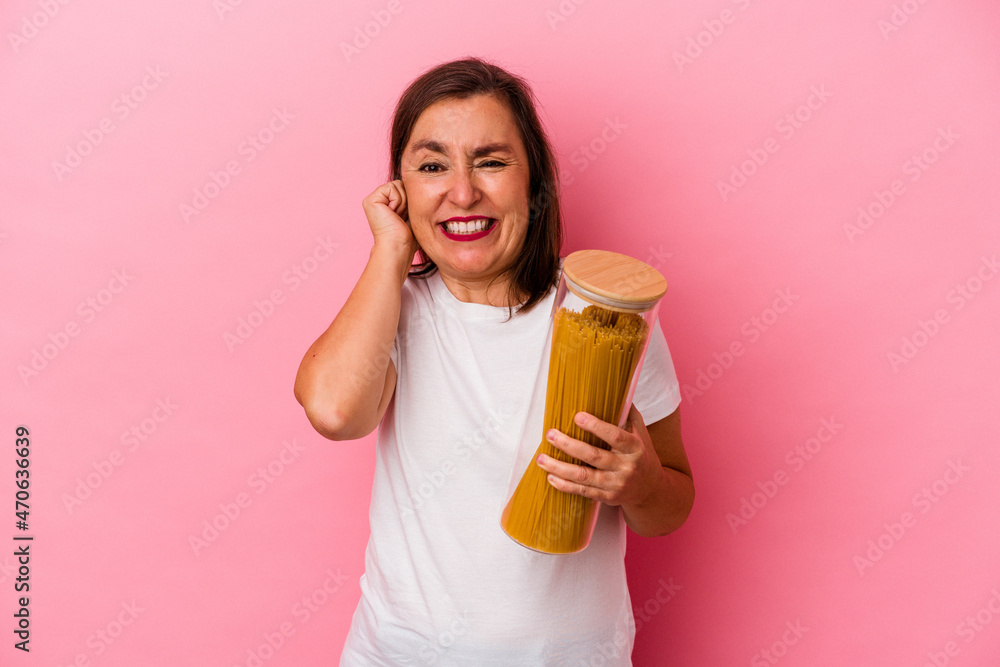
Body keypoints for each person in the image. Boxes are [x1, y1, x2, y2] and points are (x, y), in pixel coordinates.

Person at [294, 57, 694, 666]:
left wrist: (638, 485)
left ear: (533, 183)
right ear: (399, 191)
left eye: (491, 161)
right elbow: (333, 410)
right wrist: (392, 248)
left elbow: (671, 507)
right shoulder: (391, 311)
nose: (462, 192)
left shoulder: (607, 318)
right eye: (432, 166)